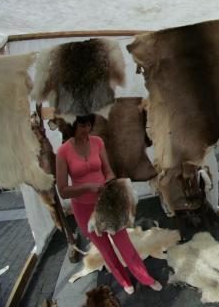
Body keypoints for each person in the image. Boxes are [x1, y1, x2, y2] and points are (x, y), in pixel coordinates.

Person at [56, 114, 162, 294]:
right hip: (84, 209)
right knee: (105, 249)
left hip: (107, 201)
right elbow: (63, 190)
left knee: (124, 243)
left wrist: (110, 181)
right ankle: (124, 281)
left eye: (89, 125)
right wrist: (88, 186)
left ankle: (145, 278)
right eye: (82, 126)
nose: (86, 130)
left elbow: (108, 171)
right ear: (72, 127)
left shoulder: (97, 142)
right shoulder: (63, 151)